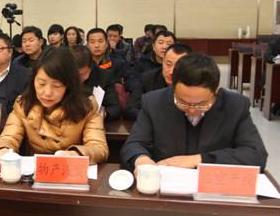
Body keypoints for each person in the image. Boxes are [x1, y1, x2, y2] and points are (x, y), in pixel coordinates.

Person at [120, 53, 268, 172]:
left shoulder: (235, 106)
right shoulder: (154, 102)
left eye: (201, 104)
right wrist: (141, 160)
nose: (191, 110)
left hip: (213, 189)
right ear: (173, 88)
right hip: (166, 188)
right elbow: (134, 144)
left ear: (216, 91)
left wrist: (200, 159)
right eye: (183, 102)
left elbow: (256, 154)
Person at [0, 48, 108, 171]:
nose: (47, 93)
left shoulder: (87, 107)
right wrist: (2, 150)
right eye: (41, 83)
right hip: (33, 173)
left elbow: (99, 148)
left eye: (56, 86)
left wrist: (76, 154)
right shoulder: (23, 104)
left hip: (69, 172)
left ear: (69, 85)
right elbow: (9, 137)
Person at [124, 43, 192, 120]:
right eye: (168, 64)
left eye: (178, 66)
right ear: (162, 62)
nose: (171, 72)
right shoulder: (148, 78)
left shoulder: (196, 82)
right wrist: (156, 118)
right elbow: (131, 109)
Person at [70, 45, 121, 121]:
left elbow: (114, 108)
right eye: (73, 74)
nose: (78, 79)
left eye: (82, 74)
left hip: (95, 120)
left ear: (91, 67)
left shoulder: (104, 76)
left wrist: (102, 114)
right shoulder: (60, 76)